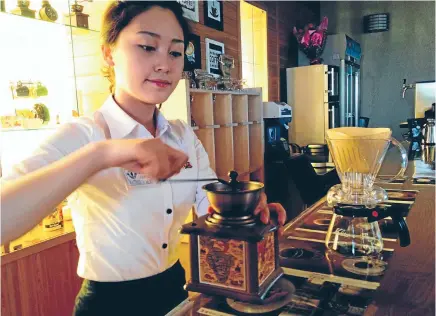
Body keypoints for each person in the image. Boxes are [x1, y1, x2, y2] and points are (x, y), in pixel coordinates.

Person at [1, 1, 286, 315]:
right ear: (108, 54)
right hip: (110, 304)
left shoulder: (182, 135)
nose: (164, 64)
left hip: (176, 290)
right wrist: (103, 154)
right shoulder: (85, 135)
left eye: (175, 52)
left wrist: (246, 211)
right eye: (148, 47)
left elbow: (209, 204)